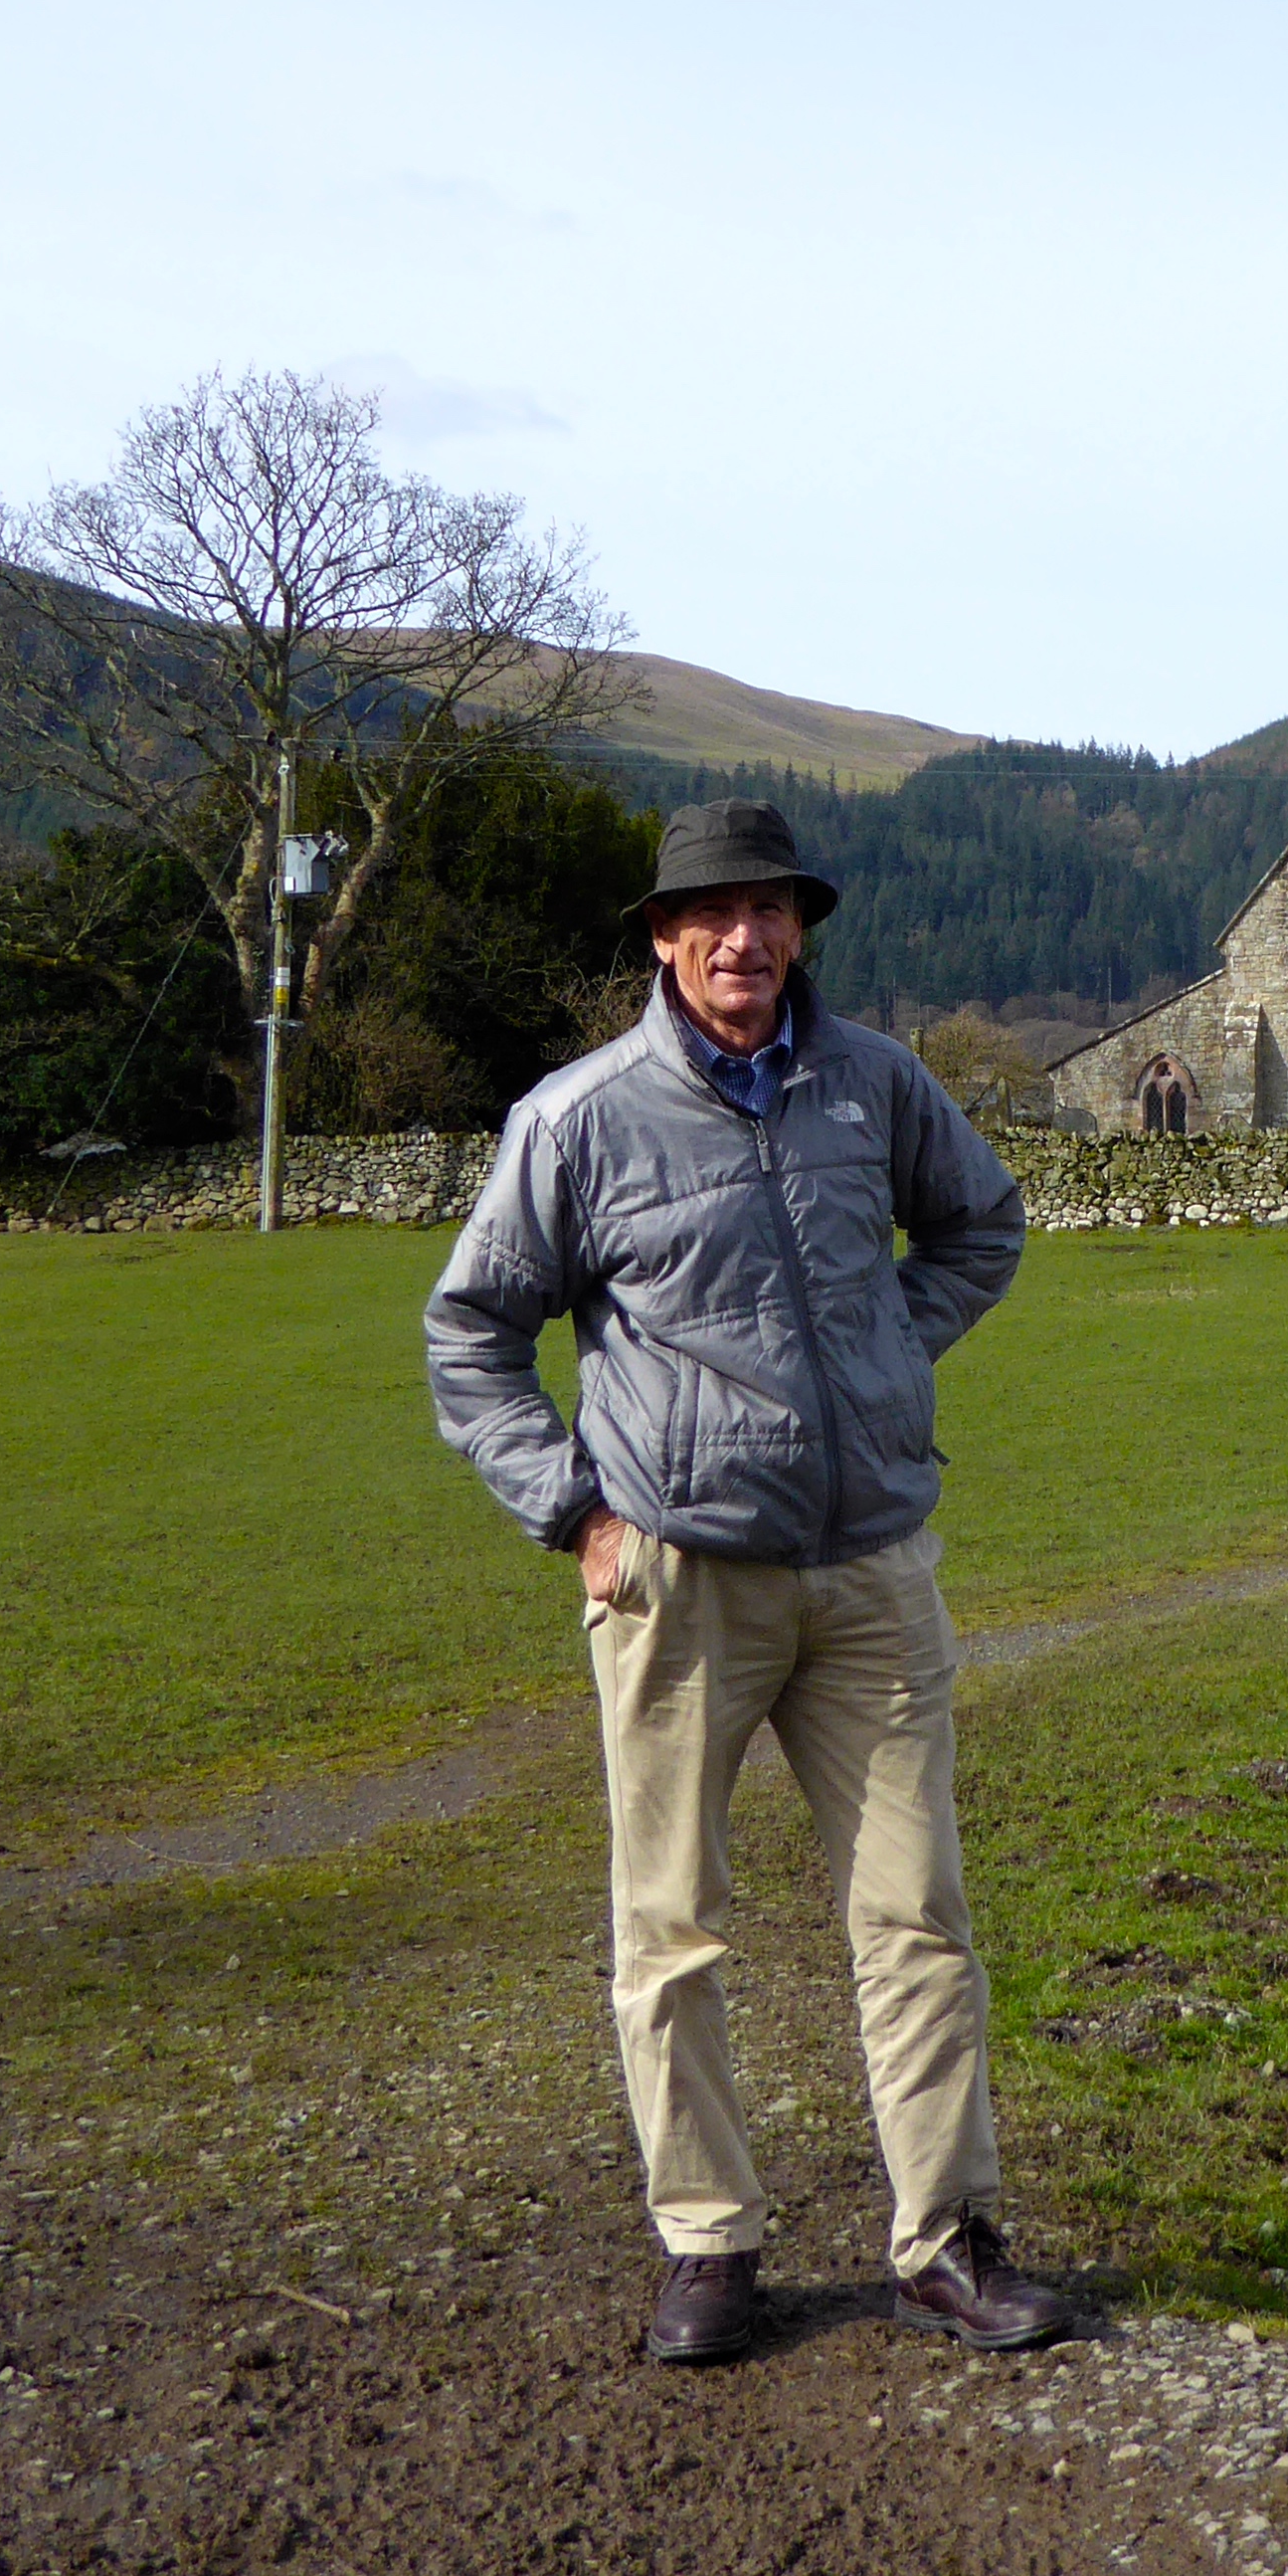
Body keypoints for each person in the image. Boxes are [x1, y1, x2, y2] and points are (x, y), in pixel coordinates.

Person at [423, 796, 1070, 2366]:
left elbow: (982, 1224)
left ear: (801, 930)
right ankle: (710, 2243)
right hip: (679, 1578)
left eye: (770, 909)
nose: (743, 938)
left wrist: (877, 1366)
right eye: (710, 913)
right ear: (660, 938)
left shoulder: (875, 1084)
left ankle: (944, 2240)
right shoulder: (577, 1120)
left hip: (870, 1574)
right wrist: (574, 1512)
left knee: (917, 1914)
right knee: (673, 1925)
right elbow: (472, 1335)